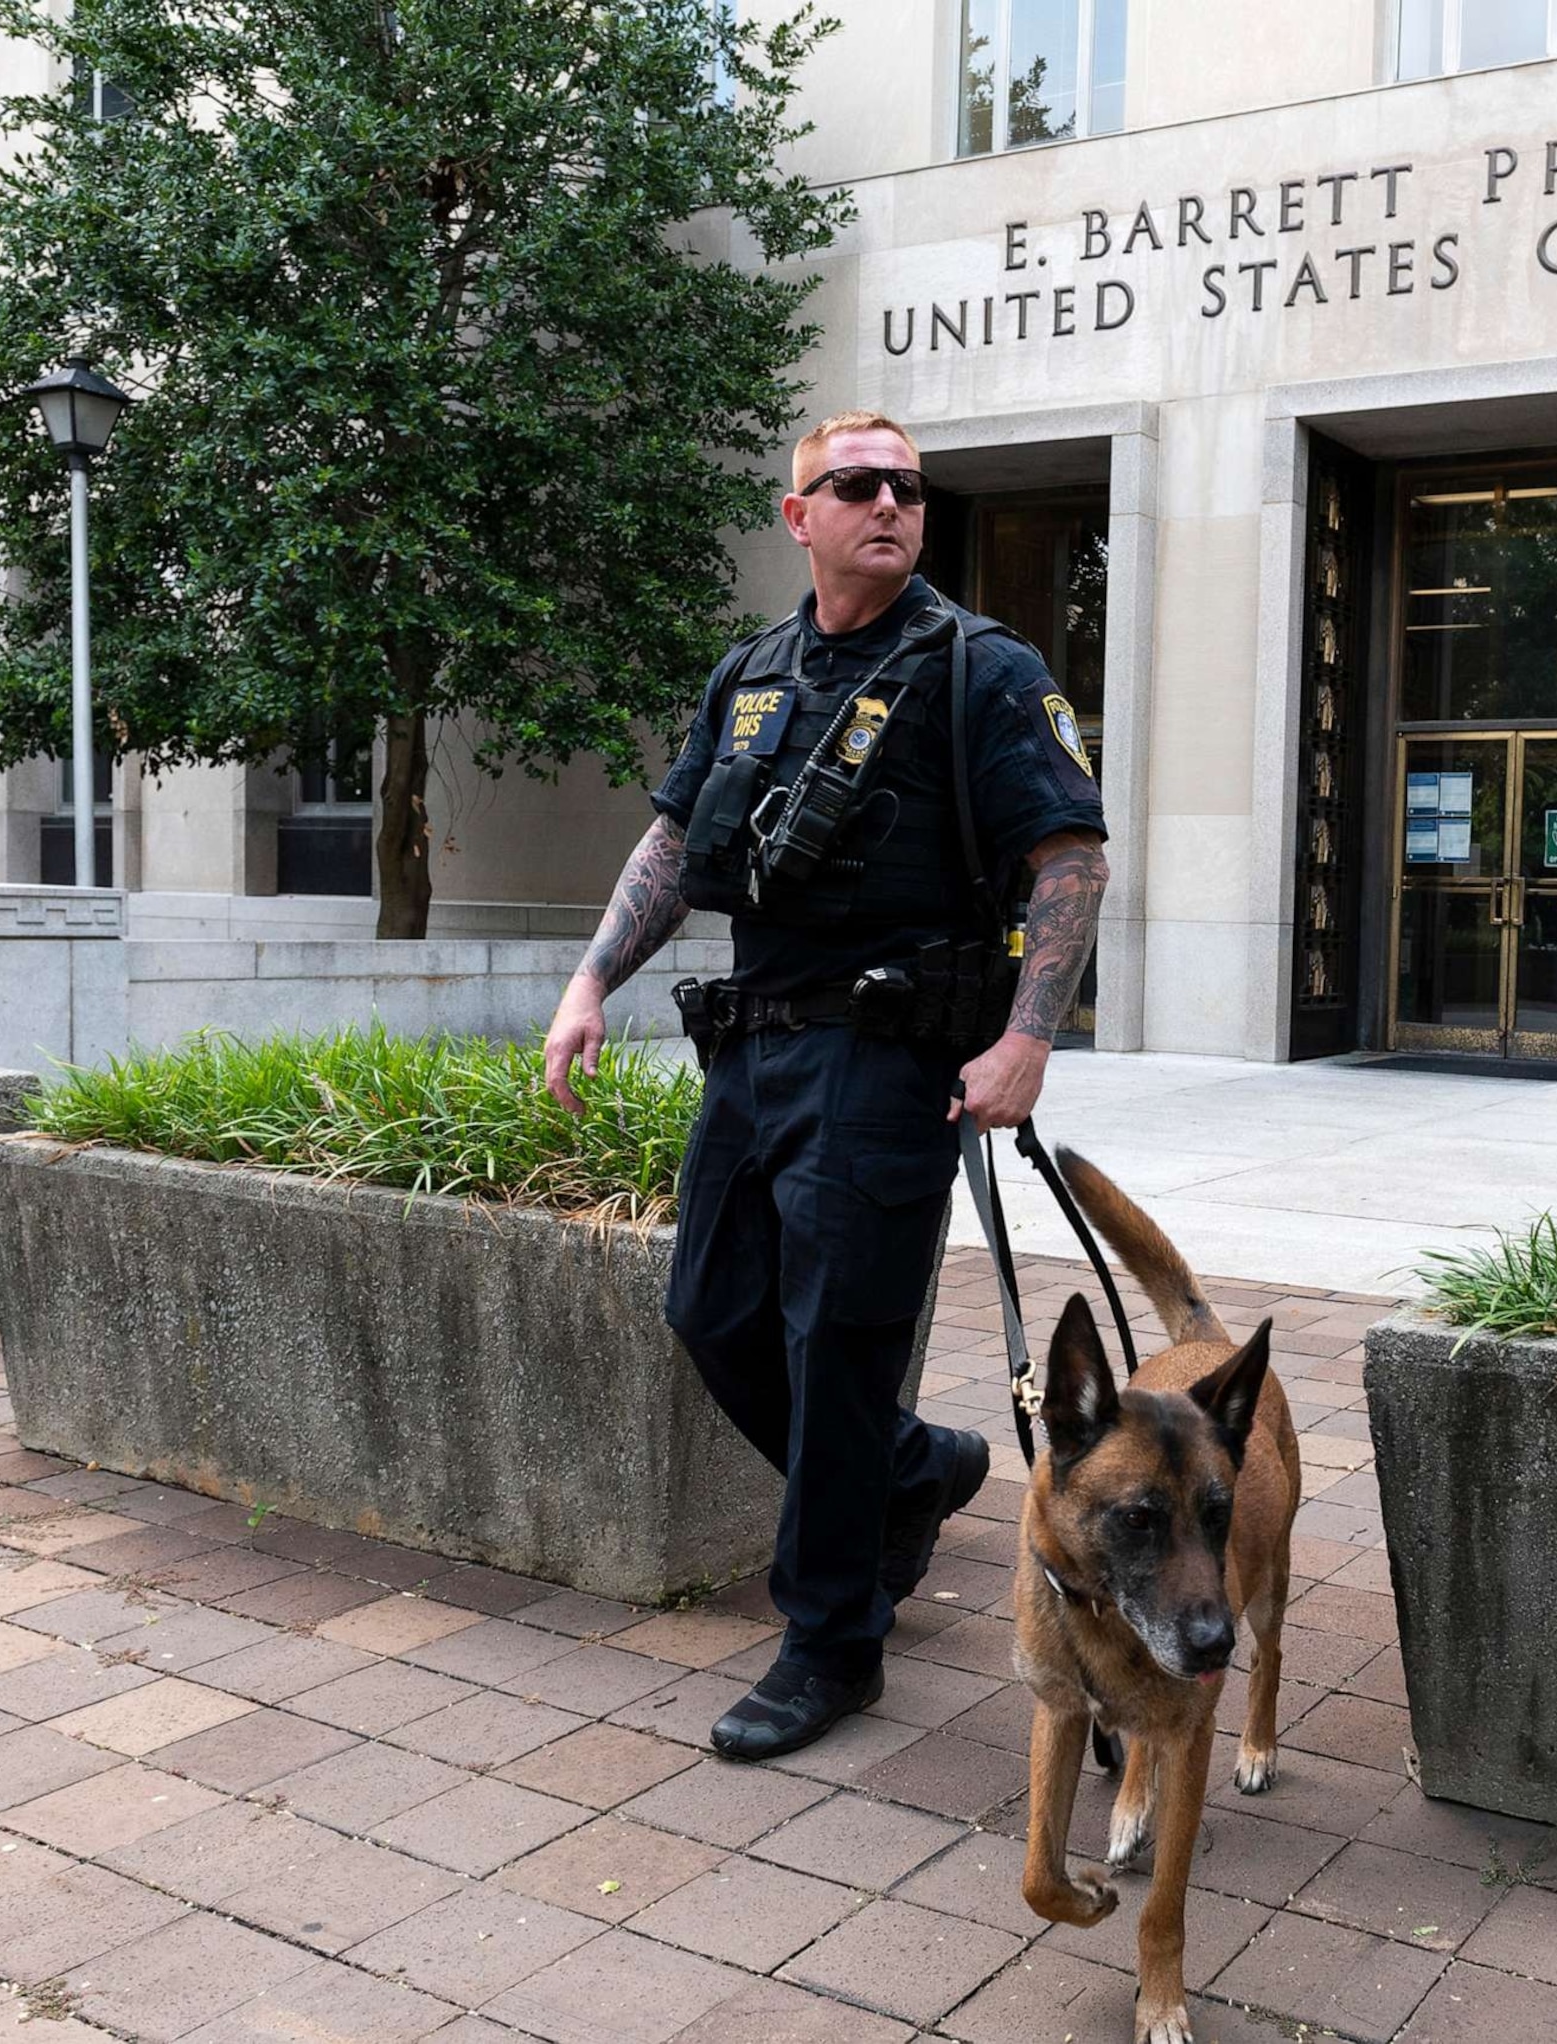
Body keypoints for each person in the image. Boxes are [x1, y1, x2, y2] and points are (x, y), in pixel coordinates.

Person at [542, 409, 1109, 1759]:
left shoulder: (981, 669)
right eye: (856, 485)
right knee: (711, 1308)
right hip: (753, 1047)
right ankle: (913, 1474)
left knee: (838, 1346)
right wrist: (587, 983)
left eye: (908, 487)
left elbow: (1070, 858)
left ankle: (830, 1642)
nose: (890, 504)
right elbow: (677, 841)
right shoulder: (754, 672)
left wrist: (1030, 1036)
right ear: (798, 516)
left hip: (885, 1053)